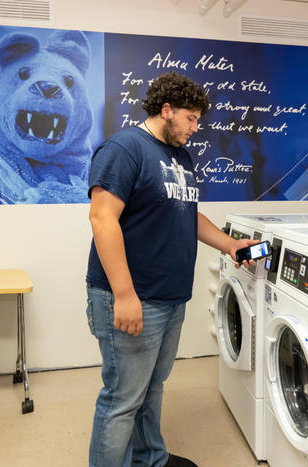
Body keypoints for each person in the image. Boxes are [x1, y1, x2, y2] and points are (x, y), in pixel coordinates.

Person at [85, 71, 258, 467]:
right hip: (132, 296)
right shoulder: (124, 148)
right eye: (191, 119)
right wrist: (125, 296)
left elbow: (187, 213)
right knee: (122, 399)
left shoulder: (179, 155)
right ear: (167, 111)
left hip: (169, 295)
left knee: (152, 388)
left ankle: (150, 460)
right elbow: (102, 219)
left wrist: (231, 244)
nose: (196, 129)